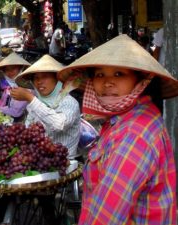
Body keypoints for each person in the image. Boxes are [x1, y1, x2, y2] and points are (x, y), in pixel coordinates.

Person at [57, 34, 178, 224]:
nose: (107, 82)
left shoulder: (134, 134)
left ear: (141, 81)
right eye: (99, 74)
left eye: (119, 74)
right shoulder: (129, 117)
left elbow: (106, 217)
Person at [11, 54, 81, 225]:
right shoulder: (37, 103)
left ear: (57, 79)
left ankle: (50, 216)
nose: (39, 82)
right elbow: (29, 129)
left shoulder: (69, 102)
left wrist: (30, 98)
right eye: (35, 78)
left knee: (45, 200)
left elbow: (59, 123)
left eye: (44, 77)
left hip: (62, 161)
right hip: (38, 158)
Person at [0, 52, 31, 122]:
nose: (10, 72)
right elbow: (11, 107)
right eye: (6, 70)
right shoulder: (13, 85)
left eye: (13, 68)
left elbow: (16, 112)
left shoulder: (26, 87)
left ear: (20, 68)